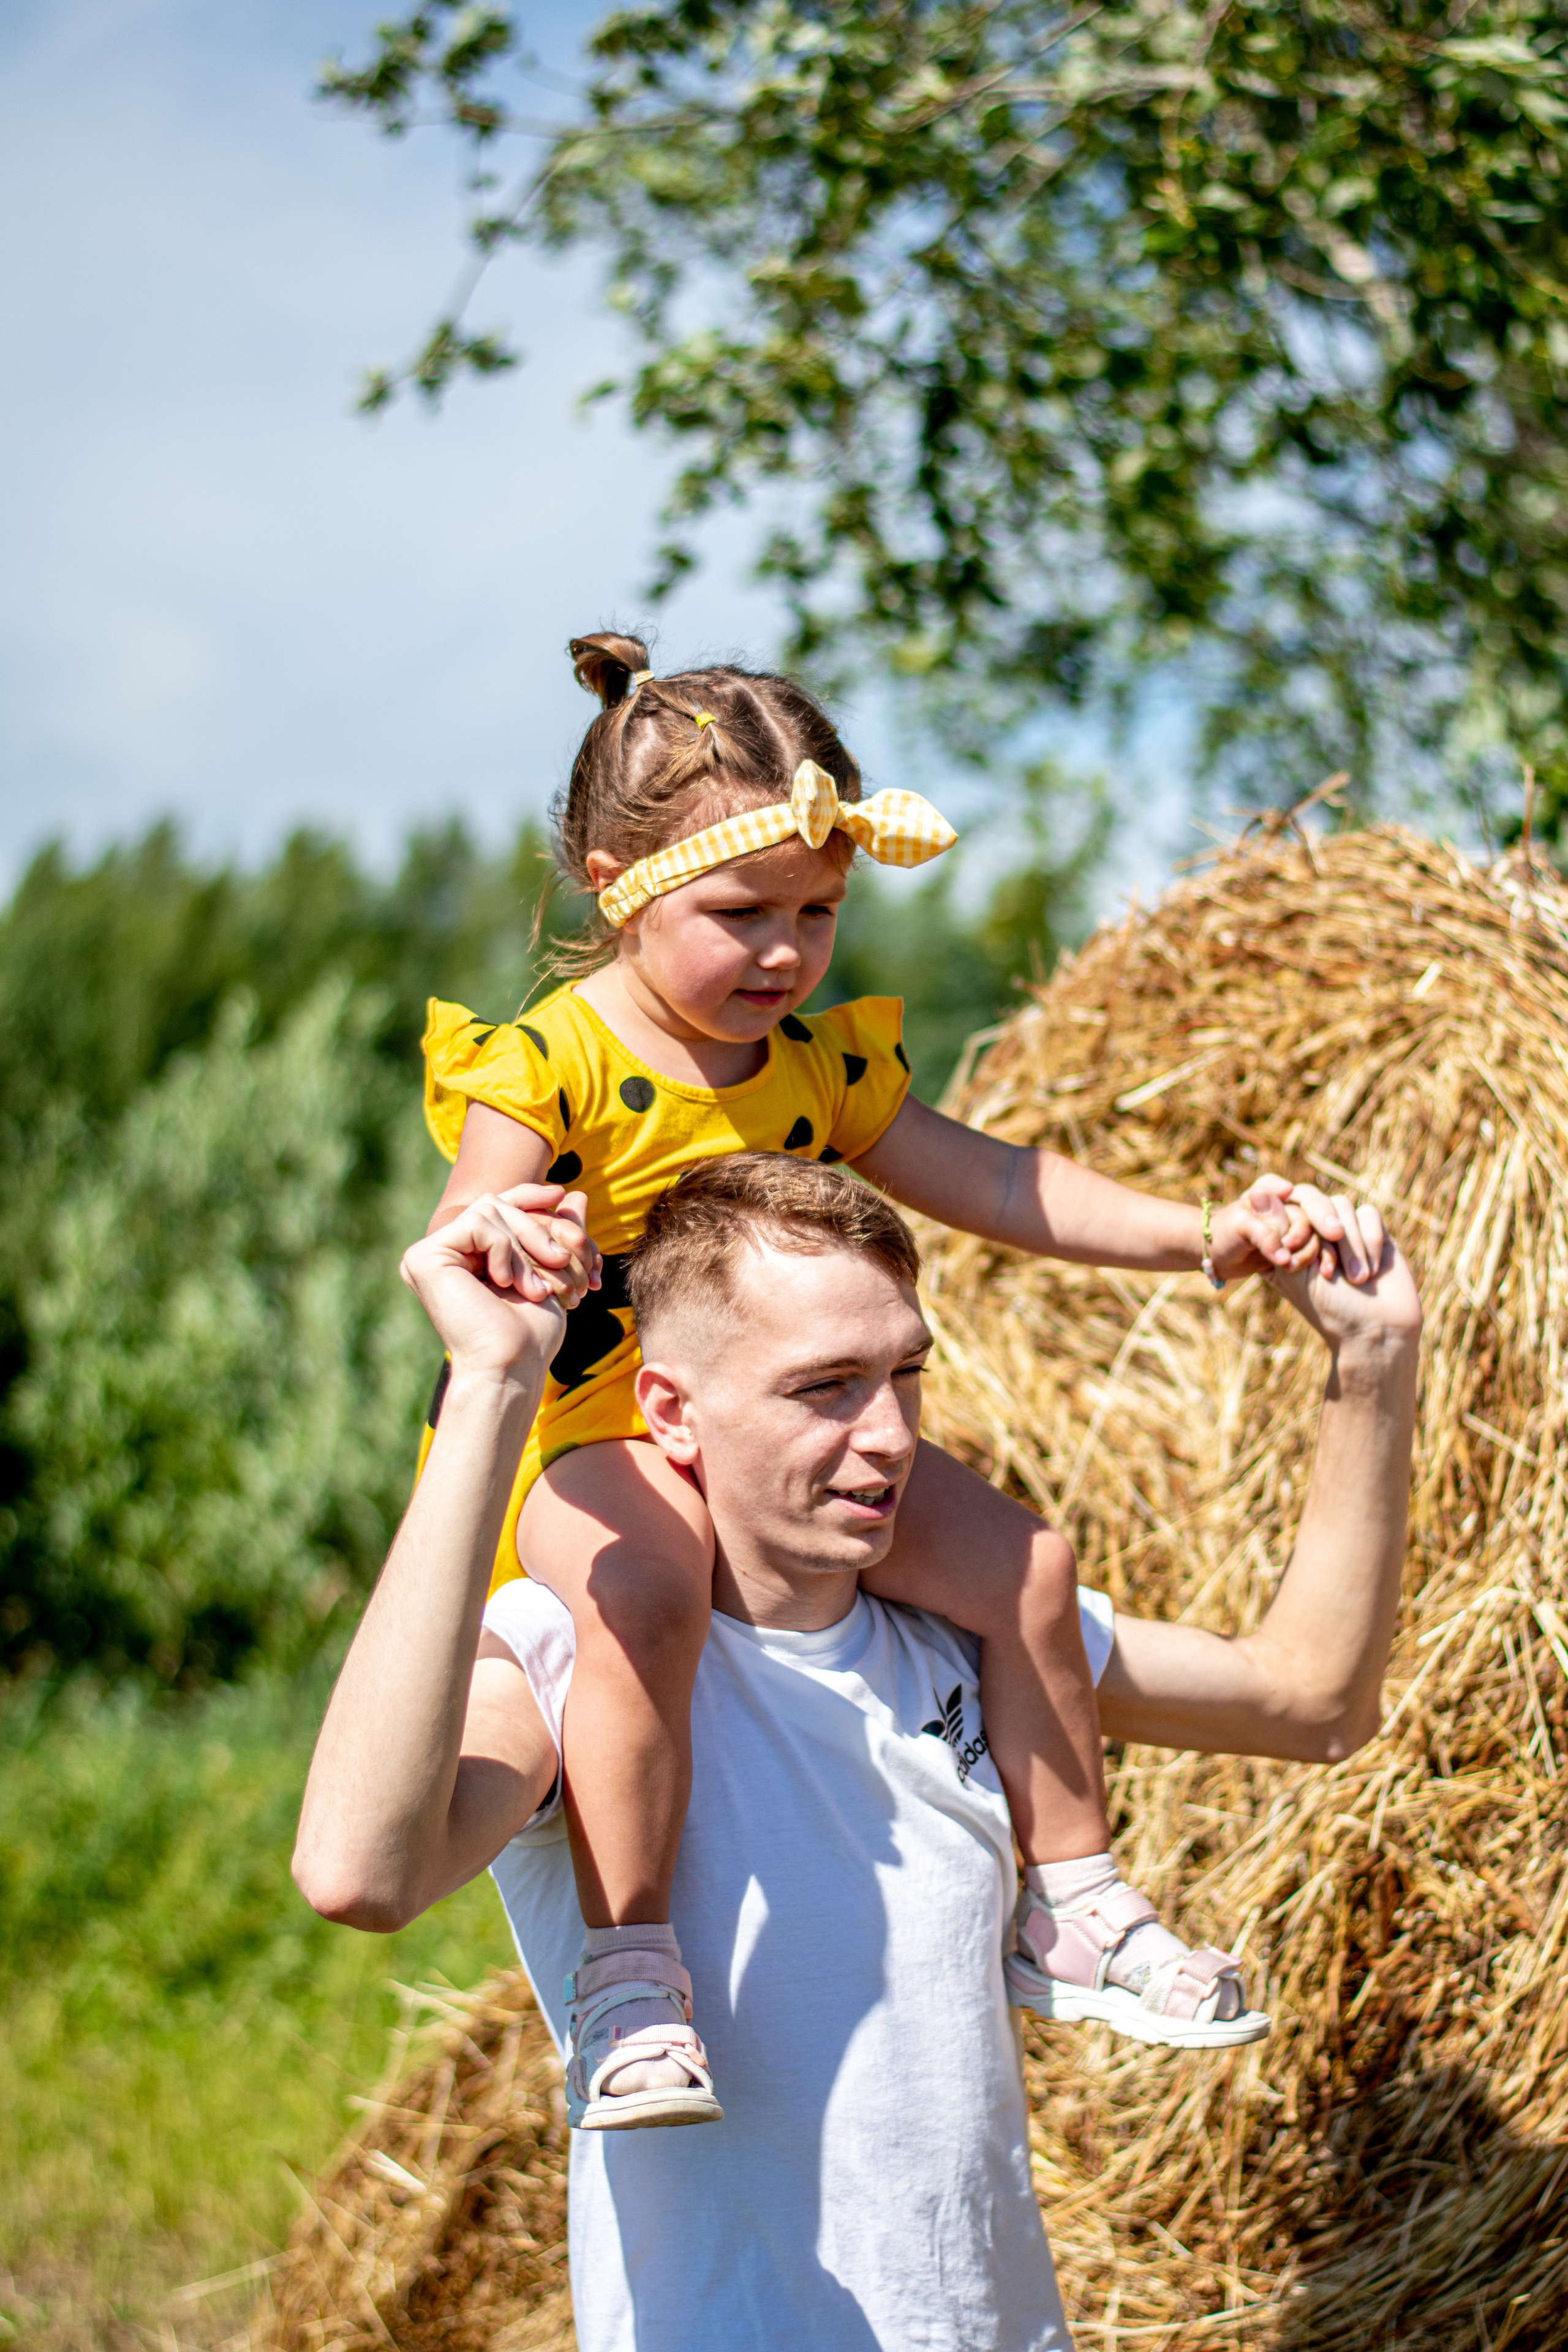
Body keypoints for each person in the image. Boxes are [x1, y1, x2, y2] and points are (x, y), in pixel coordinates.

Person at [412, 633, 1376, 2120]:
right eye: (742, 914)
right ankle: (633, 1980)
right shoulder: (548, 1066)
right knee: (650, 1600)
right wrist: (502, 1233)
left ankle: (1072, 1902)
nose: (787, 952)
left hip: (778, 1427)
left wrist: (1206, 1238)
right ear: (616, 882)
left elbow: (994, 1183)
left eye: (819, 911)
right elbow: (457, 1237)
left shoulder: (813, 1065)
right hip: (589, 1425)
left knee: (1028, 1569)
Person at [293, 1153, 1422, 2352]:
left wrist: (1372, 1362)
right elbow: (362, 1870)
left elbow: (1309, 1703)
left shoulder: (964, 1640)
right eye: (823, 1389)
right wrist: (486, 1386)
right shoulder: (582, 1657)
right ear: (671, 1412)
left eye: (905, 1373)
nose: (887, 1437)